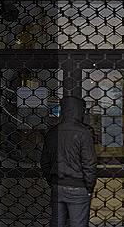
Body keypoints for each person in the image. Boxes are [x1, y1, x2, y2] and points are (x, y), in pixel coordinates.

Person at [41, 96, 97, 227]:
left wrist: (52, 181)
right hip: (79, 186)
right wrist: (89, 187)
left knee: (57, 223)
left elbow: (44, 162)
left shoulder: (52, 133)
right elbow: (89, 163)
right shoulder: (84, 133)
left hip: (58, 185)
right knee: (78, 223)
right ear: (79, 111)